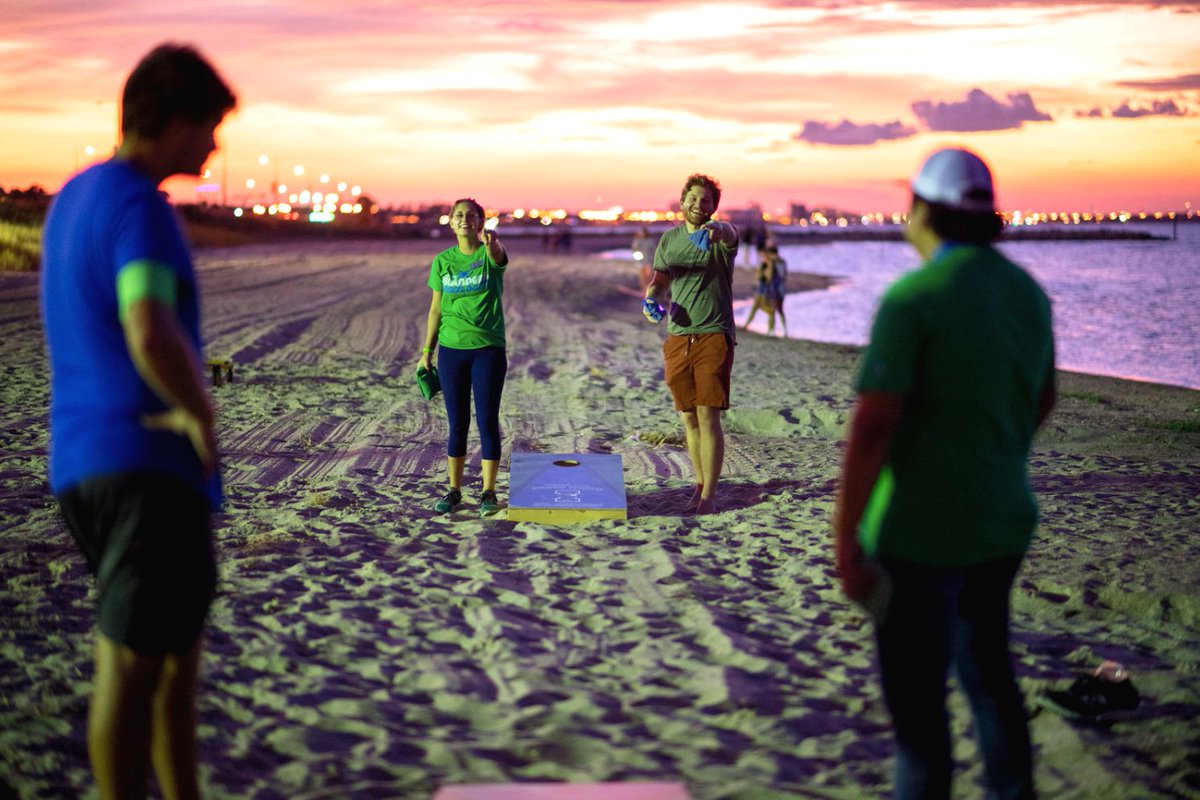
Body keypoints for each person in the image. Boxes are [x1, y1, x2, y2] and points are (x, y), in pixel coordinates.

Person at [40, 43, 235, 800]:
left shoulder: (74, 198)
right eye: (209, 125)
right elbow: (147, 325)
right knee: (131, 664)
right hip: (144, 463)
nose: (215, 144)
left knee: (172, 653)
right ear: (175, 118)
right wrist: (200, 414)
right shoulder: (138, 206)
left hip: (81, 463)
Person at [833, 147, 1056, 800]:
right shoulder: (1028, 294)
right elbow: (1042, 398)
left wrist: (845, 538)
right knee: (990, 680)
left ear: (923, 210)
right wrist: (993, 457)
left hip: (916, 533)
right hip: (1002, 521)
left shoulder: (914, 298)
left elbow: (873, 424)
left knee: (920, 716)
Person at [643, 174, 739, 515]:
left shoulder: (719, 236)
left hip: (714, 333)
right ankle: (700, 485)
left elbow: (729, 234)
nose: (699, 205)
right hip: (678, 335)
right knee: (689, 419)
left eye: (707, 201)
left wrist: (719, 230)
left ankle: (710, 496)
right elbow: (660, 278)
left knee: (708, 414)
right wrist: (652, 298)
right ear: (682, 202)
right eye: (693, 199)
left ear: (714, 207)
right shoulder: (669, 240)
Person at [419, 199, 510, 516]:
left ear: (480, 221)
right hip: (451, 351)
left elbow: (498, 258)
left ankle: (488, 492)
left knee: (487, 421)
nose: (463, 219)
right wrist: (426, 353)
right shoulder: (442, 261)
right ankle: (454, 490)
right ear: (450, 222)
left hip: (488, 349)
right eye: (458, 215)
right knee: (457, 423)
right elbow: (435, 309)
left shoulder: (490, 254)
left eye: (470, 215)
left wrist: (493, 242)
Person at [743, 244, 787, 335]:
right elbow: (762, 277)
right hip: (765, 290)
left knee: (772, 310)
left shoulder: (774, 263)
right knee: (765, 309)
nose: (763, 256)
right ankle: (774, 330)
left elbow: (769, 277)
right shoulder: (768, 263)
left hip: (769, 291)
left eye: (764, 254)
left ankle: (774, 330)